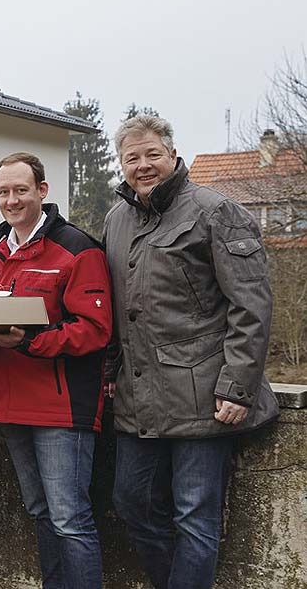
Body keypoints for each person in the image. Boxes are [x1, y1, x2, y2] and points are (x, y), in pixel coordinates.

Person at [104, 114, 279, 589]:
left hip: (205, 395)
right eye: (131, 157)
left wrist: (238, 388)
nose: (143, 165)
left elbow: (251, 305)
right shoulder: (116, 218)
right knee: (131, 502)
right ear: (121, 165)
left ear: (173, 154)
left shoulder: (216, 210)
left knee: (195, 517)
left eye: (152, 154)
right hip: (137, 396)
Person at [0, 152, 112, 589]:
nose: (11, 200)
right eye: (4, 191)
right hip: (10, 403)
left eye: (21, 190)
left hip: (62, 408)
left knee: (70, 517)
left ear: (42, 192)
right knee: (40, 512)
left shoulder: (77, 248)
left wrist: (28, 342)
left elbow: (95, 330)